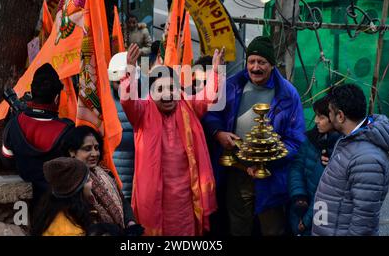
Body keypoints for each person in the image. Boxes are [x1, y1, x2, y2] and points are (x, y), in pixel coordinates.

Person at [202, 35, 306, 236]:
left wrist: (268, 160)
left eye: (262, 62)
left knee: (271, 229)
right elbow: (212, 113)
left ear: (272, 65)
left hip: (272, 176)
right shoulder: (232, 85)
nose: (255, 67)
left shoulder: (287, 94)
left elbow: (295, 139)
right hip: (237, 170)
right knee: (238, 226)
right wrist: (219, 133)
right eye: (252, 61)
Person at [119, 43, 224, 236]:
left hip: (186, 198)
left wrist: (216, 72)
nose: (167, 94)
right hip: (153, 197)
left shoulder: (188, 106)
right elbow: (127, 100)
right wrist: (130, 72)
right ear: (151, 92)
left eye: (171, 88)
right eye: (161, 89)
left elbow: (209, 97)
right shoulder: (141, 111)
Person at [312, 84, 389, 236]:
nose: (328, 117)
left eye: (330, 112)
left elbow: (364, 223)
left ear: (340, 116)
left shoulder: (367, 159)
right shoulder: (350, 140)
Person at [2, 63, 74, 204]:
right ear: (56, 98)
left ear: (32, 93)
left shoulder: (14, 124)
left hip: (23, 206)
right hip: (58, 204)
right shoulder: (68, 129)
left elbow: (7, 160)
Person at [62, 126, 143, 236]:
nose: (95, 153)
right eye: (87, 148)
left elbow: (122, 201)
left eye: (96, 148)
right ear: (72, 152)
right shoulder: (69, 181)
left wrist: (130, 223)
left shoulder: (105, 172)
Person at [288, 96, 340, 236]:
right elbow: (297, 167)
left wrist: (306, 220)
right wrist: (299, 196)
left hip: (321, 217)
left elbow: (326, 195)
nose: (316, 120)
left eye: (321, 117)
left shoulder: (340, 150)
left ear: (335, 117)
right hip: (301, 206)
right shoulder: (312, 138)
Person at [31, 157, 93, 236]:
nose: (92, 181)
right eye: (87, 180)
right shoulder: (68, 231)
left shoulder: (54, 210)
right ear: (76, 189)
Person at [108, 53, 136, 201]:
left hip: (138, 169)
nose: (122, 86)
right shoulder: (105, 102)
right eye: (118, 82)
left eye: (125, 81)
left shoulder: (142, 100)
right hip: (114, 169)